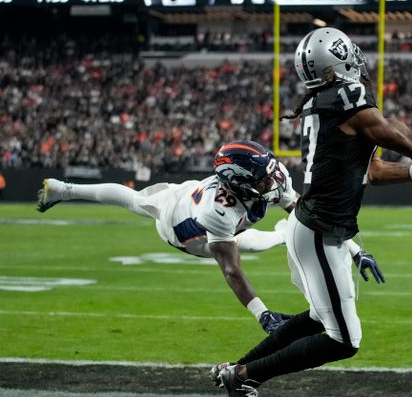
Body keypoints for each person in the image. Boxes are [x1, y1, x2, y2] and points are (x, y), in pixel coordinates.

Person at [213, 27, 412, 397]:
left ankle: (238, 370)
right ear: (337, 61)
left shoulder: (326, 103)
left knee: (317, 319)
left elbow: (374, 171)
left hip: (319, 228)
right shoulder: (347, 99)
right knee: (344, 339)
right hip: (318, 232)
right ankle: (245, 378)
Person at [37, 140, 309, 334]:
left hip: (186, 192)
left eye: (270, 173)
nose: (273, 181)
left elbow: (304, 210)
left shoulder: (273, 175)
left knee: (134, 199)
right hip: (179, 228)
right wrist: (263, 315)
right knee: (242, 245)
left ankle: (64, 189)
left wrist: (351, 251)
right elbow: (231, 270)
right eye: (263, 180)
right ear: (240, 182)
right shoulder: (218, 212)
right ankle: (282, 234)